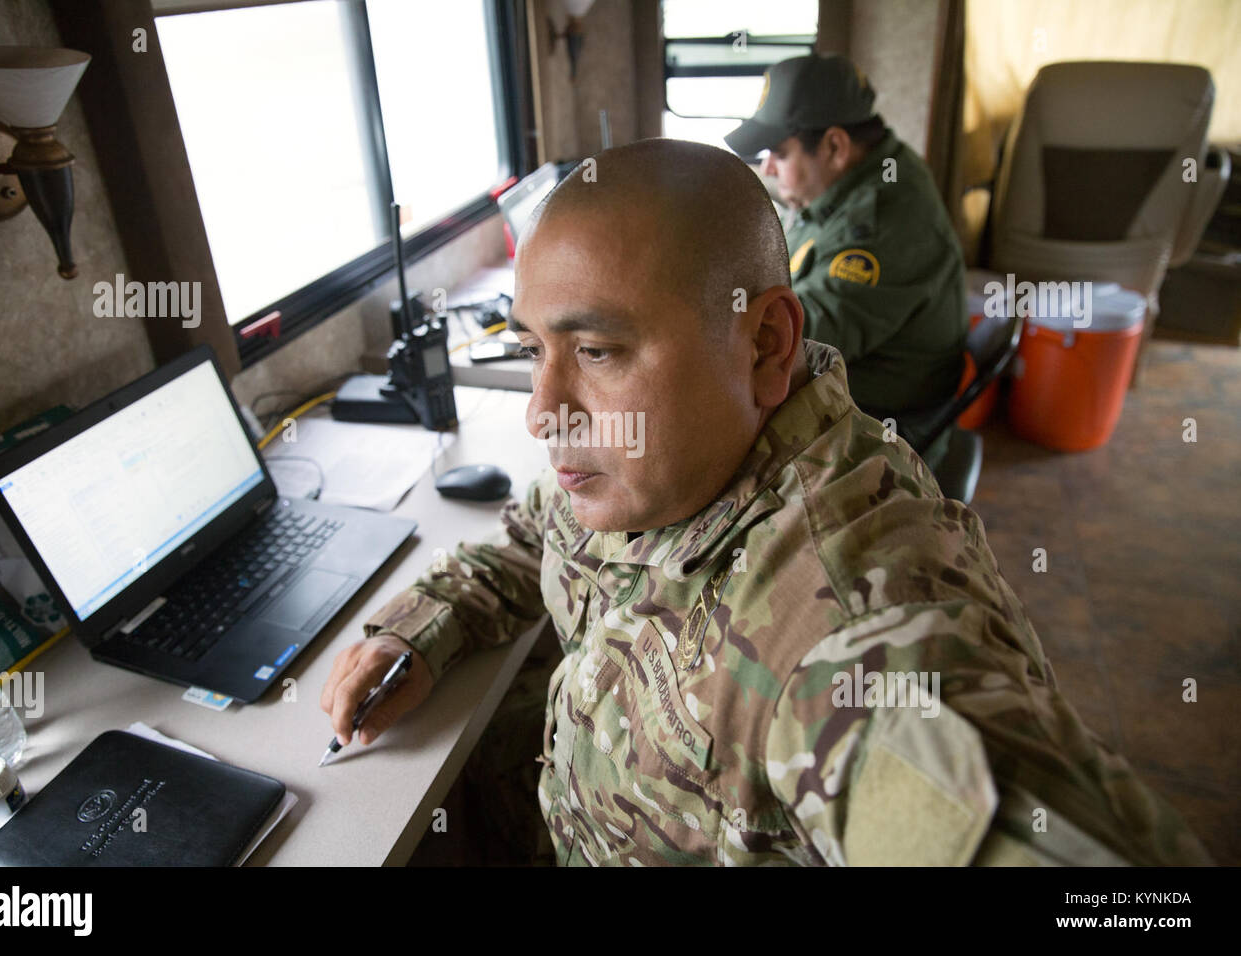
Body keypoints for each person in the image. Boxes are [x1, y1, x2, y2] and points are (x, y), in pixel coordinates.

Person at [321, 139, 1209, 866]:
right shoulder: (644, 463)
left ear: (765, 343)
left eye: (595, 350)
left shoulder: (849, 630)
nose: (542, 411)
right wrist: (424, 623)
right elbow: (534, 536)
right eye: (533, 348)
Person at [725, 53, 967, 467]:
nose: (767, 168)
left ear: (835, 146)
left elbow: (796, 340)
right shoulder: (849, 182)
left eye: (779, 153)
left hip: (886, 423)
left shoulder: (880, 223)